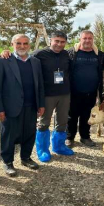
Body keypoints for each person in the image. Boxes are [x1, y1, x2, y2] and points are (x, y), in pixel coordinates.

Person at [0, 34, 45, 176]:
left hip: (31, 105)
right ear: (12, 44)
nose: (22, 46)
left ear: (29, 44)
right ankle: (8, 162)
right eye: (18, 43)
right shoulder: (3, 61)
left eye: (25, 43)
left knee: (29, 133)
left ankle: (26, 158)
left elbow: (39, 84)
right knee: (8, 135)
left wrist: (41, 104)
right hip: (10, 107)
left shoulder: (35, 61)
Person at [33, 32, 74, 161]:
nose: (59, 44)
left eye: (62, 42)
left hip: (64, 94)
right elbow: (22, 60)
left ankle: (59, 146)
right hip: (47, 95)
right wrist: (5, 53)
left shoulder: (66, 54)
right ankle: (43, 150)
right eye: (56, 41)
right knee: (44, 122)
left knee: (62, 121)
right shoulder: (39, 54)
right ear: (50, 40)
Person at [66, 30, 104, 147]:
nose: (87, 40)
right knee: (71, 116)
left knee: (86, 115)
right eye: (85, 38)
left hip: (91, 92)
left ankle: (85, 137)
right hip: (73, 92)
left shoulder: (100, 55)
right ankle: (69, 137)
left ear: (93, 40)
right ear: (80, 39)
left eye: (90, 38)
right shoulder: (71, 53)